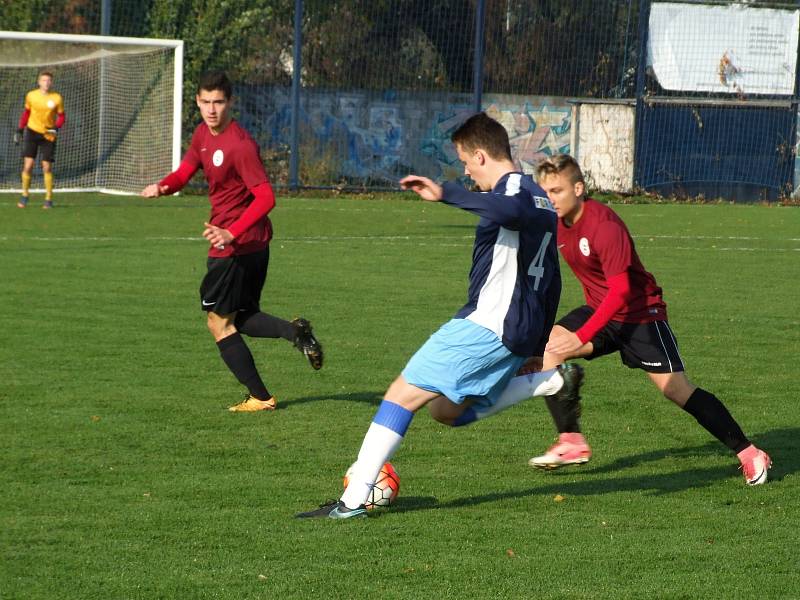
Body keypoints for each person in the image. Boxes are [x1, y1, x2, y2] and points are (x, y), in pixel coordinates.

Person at [297, 112, 581, 520]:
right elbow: (550, 275)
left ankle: (353, 501)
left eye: (466, 162)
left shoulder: (517, 189)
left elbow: (510, 213)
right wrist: (537, 346)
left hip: (488, 324)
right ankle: (550, 381)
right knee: (444, 411)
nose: (466, 171)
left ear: (481, 155)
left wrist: (445, 192)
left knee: (400, 394)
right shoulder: (538, 195)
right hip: (515, 329)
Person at [529, 154, 770, 485]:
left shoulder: (603, 226)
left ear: (579, 188)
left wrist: (581, 334)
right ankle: (571, 441)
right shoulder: (557, 223)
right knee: (548, 348)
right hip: (602, 310)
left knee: (677, 390)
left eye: (557, 190)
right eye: (546, 192)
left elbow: (621, 291)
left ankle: (749, 452)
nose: (551, 198)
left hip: (641, 314)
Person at [140, 71, 323, 412]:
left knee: (218, 322)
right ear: (197, 102)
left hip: (234, 246)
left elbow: (266, 197)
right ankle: (295, 333)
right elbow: (186, 170)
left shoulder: (240, 145)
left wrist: (230, 233)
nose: (212, 110)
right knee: (241, 317)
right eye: (206, 102)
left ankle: (261, 397)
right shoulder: (202, 135)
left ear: (230, 102)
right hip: (251, 245)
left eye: (219, 102)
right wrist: (164, 186)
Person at [16, 71, 65, 209]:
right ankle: (25, 195)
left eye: (49, 80)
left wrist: (56, 128)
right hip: (32, 132)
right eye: (44, 80)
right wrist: (20, 128)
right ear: (39, 82)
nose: (46, 83)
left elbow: (61, 116)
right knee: (28, 165)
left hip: (48, 134)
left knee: (47, 166)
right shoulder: (31, 95)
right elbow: (26, 113)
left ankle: (48, 199)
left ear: (52, 82)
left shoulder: (57, 98)